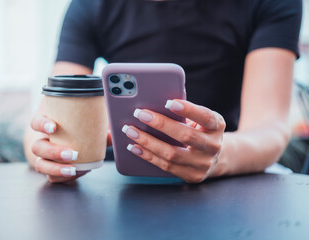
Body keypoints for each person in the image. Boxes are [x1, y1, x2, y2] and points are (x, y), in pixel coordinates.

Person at [24, 0, 302, 183]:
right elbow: (43, 124)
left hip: (226, 175)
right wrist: (53, 153)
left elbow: (270, 128)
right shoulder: (90, 5)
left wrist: (219, 156)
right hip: (118, 177)